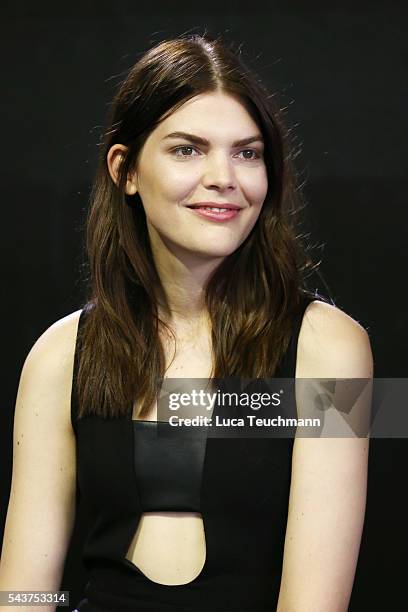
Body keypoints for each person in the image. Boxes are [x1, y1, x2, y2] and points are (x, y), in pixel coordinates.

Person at [0, 33, 373, 612]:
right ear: (125, 170)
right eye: (187, 150)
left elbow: (315, 602)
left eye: (248, 153)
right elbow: (25, 591)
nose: (225, 176)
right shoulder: (59, 355)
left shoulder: (331, 349)